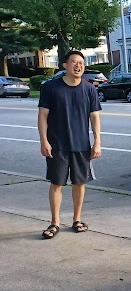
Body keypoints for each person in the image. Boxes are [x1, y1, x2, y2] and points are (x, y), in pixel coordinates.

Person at [37, 50, 101, 239]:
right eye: (74, 62)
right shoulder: (50, 87)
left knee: (79, 183)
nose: (78, 65)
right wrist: (44, 140)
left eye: (81, 62)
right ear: (64, 65)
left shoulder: (89, 89)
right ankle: (55, 222)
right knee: (56, 183)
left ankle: (77, 219)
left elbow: (94, 117)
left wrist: (97, 142)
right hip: (57, 145)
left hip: (82, 145)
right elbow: (42, 116)